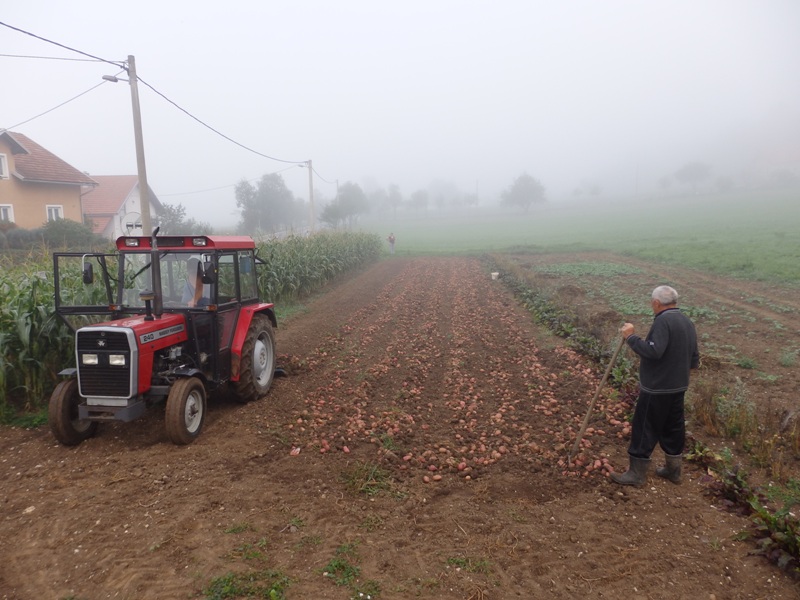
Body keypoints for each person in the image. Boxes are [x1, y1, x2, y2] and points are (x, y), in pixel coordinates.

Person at [611, 285, 699, 487]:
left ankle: (636, 474)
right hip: (678, 386)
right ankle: (673, 470)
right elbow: (694, 358)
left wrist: (631, 337)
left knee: (644, 427)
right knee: (674, 427)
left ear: (656, 303)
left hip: (657, 388)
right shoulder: (686, 321)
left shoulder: (663, 321)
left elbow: (653, 351)